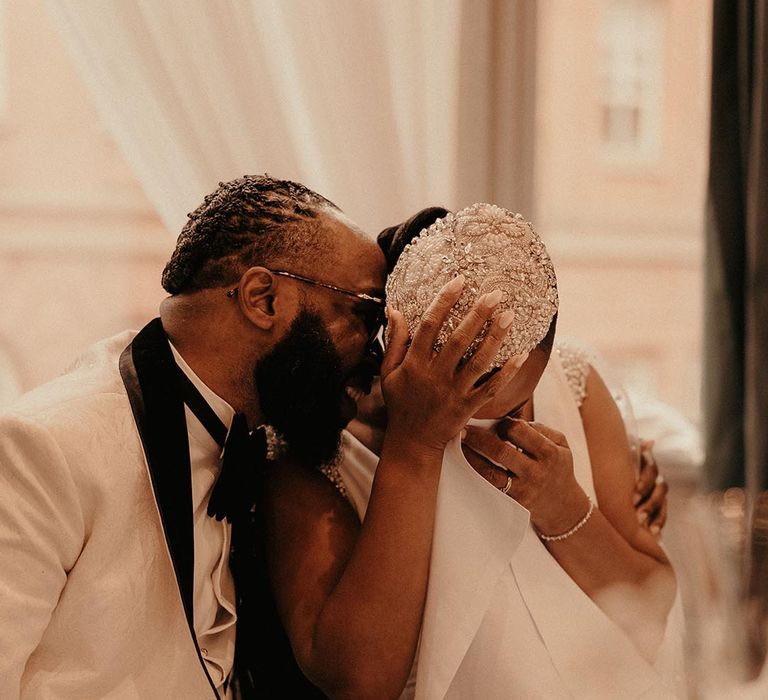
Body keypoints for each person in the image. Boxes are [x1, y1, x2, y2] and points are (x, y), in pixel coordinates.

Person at [0, 177, 524, 699]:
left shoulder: (254, 436)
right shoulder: (46, 448)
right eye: (364, 312)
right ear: (263, 298)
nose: (376, 350)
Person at [264, 204, 684, 699]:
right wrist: (415, 442)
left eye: (516, 399)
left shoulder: (576, 387)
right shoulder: (317, 454)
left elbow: (651, 604)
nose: (485, 423)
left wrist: (563, 507)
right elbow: (359, 681)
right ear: (400, 347)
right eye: (465, 399)